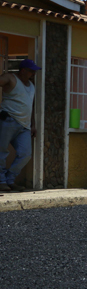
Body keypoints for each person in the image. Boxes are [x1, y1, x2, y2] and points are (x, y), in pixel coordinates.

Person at [0, 59, 40, 192]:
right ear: (23, 70)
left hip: (25, 126)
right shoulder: (11, 78)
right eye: (31, 71)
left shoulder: (31, 85)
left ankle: (9, 179)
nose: (33, 73)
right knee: (2, 151)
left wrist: (33, 124)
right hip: (8, 120)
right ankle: (1, 181)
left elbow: (31, 106)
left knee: (25, 154)